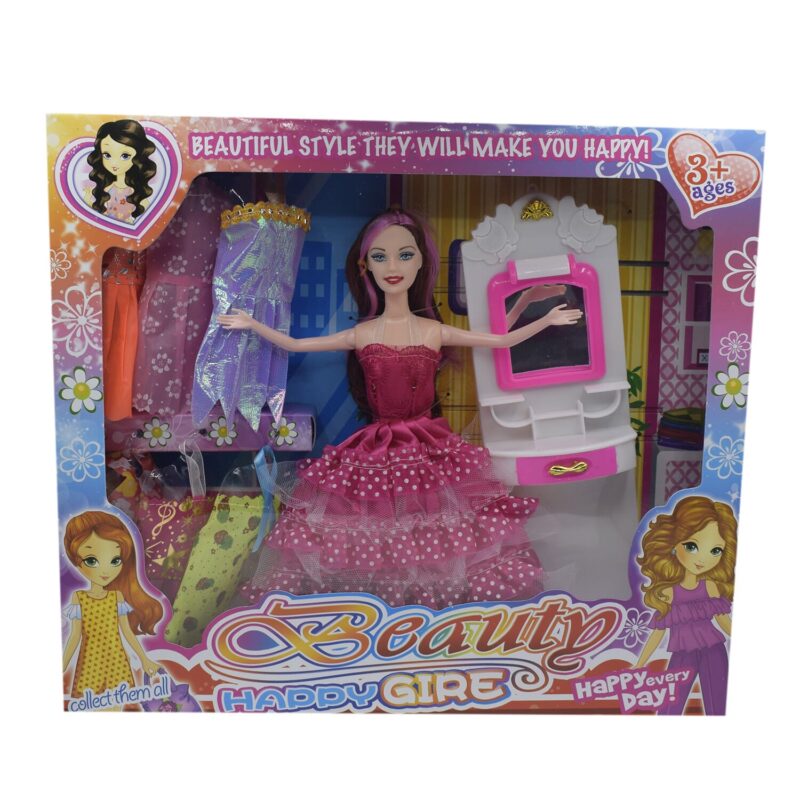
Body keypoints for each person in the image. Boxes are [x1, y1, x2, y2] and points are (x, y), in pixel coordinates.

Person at [222, 208, 582, 609]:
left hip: (429, 447)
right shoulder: (362, 333)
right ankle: (378, 610)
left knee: (438, 531)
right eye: (380, 257)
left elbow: (500, 339)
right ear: (365, 266)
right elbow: (295, 344)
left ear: (421, 262)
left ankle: (431, 612)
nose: (393, 267)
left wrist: (541, 312)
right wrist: (252, 324)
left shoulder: (432, 330)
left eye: (405, 255)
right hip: (374, 448)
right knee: (371, 532)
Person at [635, 495, 736, 714]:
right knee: (669, 709)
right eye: (692, 546)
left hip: (714, 651)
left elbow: (724, 622)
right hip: (682, 653)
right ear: (674, 543)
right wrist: (640, 663)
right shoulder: (668, 592)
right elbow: (658, 633)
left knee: (717, 708)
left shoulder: (710, 587)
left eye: (715, 551)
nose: (703, 559)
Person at [62, 510, 163, 707]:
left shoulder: (117, 597)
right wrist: (63, 665)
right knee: (90, 705)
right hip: (89, 662)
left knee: (117, 706)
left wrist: (144, 659)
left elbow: (126, 632)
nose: (105, 570)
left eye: (115, 560)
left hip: (116, 661)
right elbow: (75, 635)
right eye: (91, 560)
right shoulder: (79, 598)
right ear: (76, 560)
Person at [84, 119, 156, 222]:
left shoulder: (137, 194)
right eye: (107, 155)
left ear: (138, 155)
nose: (114, 163)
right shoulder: (104, 189)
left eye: (125, 156)